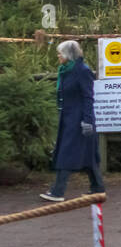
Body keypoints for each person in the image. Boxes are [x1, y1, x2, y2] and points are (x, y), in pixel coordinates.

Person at [40, 41, 105, 202]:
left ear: (69, 55)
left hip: (79, 120)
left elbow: (88, 97)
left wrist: (87, 121)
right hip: (68, 118)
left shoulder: (82, 71)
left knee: (66, 153)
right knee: (88, 154)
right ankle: (98, 188)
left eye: (60, 53)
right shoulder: (65, 70)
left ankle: (58, 191)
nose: (58, 56)